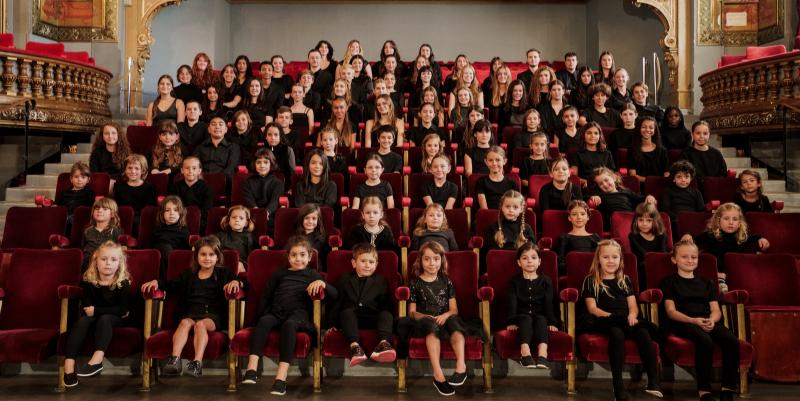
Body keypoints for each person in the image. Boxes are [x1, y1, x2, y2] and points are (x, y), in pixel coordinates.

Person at [239, 236, 336, 394]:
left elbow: (335, 294)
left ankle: (281, 378)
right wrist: (256, 320)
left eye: (302, 255)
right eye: (294, 255)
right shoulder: (279, 274)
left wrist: (322, 283)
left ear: (310, 256)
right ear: (288, 257)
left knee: (289, 325)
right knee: (263, 321)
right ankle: (252, 369)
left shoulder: (313, 275)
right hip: (277, 310)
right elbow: (266, 296)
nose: (298, 259)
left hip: (299, 315)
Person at [140, 236, 245, 377]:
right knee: (184, 322)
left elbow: (244, 281)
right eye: (203, 254)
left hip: (212, 315)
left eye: (211, 255)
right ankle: (174, 360)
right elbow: (171, 285)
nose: (207, 258)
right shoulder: (188, 274)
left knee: (200, 325)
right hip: (189, 312)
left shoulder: (223, 273)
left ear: (217, 257)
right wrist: (157, 282)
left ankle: (197, 363)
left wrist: (237, 283)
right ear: (196, 257)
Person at [579, 239, 662, 401]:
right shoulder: (591, 280)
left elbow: (633, 306)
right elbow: (592, 308)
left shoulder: (625, 280)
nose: (611, 261)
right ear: (598, 260)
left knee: (643, 332)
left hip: (626, 318)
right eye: (606, 257)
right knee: (616, 333)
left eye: (615, 257)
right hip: (604, 318)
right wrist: (611, 317)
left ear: (620, 260)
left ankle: (653, 381)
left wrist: (632, 315)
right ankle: (618, 386)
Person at [661, 239, 740, 401]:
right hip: (683, 321)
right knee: (705, 341)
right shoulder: (669, 282)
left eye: (693, 257)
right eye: (684, 257)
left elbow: (716, 310)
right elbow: (671, 311)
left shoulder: (707, 282)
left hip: (706, 319)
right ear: (674, 259)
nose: (690, 260)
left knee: (731, 340)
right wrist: (693, 320)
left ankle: (728, 388)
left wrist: (711, 320)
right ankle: (704, 390)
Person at [399, 241, 469, 396]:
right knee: (431, 326)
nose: (432, 263)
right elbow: (412, 312)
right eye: (427, 259)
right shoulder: (415, 283)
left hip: (445, 318)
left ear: (441, 260)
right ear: (420, 261)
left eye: (436, 259)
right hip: (424, 322)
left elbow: (454, 310)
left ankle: (461, 366)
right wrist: (425, 316)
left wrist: (445, 315)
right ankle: (438, 375)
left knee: (455, 323)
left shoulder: (446, 281)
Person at [62, 241, 131, 388]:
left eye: (113, 260)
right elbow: (88, 309)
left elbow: (122, 310)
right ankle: (68, 366)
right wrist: (99, 310)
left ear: (119, 263)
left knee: (105, 318)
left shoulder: (123, 283)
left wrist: (98, 310)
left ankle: (97, 360)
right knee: (82, 321)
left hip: (116, 320)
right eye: (104, 259)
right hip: (95, 318)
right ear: (96, 261)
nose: (108, 263)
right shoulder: (88, 282)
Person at [328, 243, 396, 366]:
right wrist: (333, 323)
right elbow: (338, 302)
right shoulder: (345, 279)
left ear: (376, 265)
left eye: (371, 262)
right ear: (354, 263)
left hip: (372, 317)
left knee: (386, 314)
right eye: (363, 261)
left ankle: (384, 344)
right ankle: (355, 348)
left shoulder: (380, 280)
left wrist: (388, 319)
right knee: (346, 312)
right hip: (351, 319)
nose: (367, 265)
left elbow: (385, 303)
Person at [690, 203, 769, 292]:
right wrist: (687, 237)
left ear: (739, 223)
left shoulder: (743, 238)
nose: (731, 222)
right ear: (718, 221)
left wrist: (761, 239)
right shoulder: (710, 236)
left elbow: (755, 238)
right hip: (717, 274)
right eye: (726, 219)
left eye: (735, 219)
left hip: (736, 274)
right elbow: (693, 241)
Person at [507, 243, 558, 369]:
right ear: (519, 262)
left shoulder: (546, 281)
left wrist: (552, 322)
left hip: (540, 315)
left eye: (533, 258)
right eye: (525, 258)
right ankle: (525, 353)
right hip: (521, 316)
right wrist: (511, 321)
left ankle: (542, 354)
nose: (529, 261)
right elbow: (512, 303)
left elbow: (549, 303)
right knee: (526, 319)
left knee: (541, 319)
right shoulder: (514, 282)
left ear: (539, 261)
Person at [588, 167, 657, 227]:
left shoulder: (625, 192)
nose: (605, 185)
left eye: (606, 180)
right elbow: (589, 206)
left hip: (631, 219)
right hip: (615, 223)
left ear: (614, 178)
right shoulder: (600, 196)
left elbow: (640, 199)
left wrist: (649, 197)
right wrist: (594, 198)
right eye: (601, 184)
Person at [482, 190, 536, 257]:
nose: (511, 210)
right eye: (507, 206)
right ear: (502, 207)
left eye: (515, 207)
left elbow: (532, 252)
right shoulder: (493, 228)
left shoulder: (526, 229)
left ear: (521, 209)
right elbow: (490, 255)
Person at [111, 154, 157, 230]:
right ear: (125, 170)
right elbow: (116, 207)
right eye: (129, 168)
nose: (133, 171)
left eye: (137, 168)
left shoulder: (150, 188)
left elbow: (149, 210)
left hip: (141, 221)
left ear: (143, 171)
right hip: (122, 219)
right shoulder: (119, 187)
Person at [661, 160, 705, 237]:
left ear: (691, 178)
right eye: (679, 177)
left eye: (686, 176)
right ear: (674, 179)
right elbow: (665, 209)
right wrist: (679, 218)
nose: (683, 180)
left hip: (692, 221)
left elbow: (701, 210)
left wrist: (691, 219)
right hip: (675, 221)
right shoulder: (667, 191)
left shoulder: (696, 192)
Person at [169, 156, 213, 233]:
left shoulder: (206, 188)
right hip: (178, 221)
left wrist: (196, 222)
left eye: (194, 168)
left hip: (199, 222)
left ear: (199, 171)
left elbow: (206, 211)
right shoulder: (175, 187)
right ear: (182, 170)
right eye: (187, 168)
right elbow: (171, 206)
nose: (190, 171)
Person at [557, 200, 601, 275]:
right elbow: (560, 262)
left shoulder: (595, 237)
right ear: (569, 218)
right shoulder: (564, 237)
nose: (579, 217)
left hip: (592, 273)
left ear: (588, 217)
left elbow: (600, 259)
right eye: (574, 214)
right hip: (573, 272)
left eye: (582, 214)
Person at [628, 202, 668, 286]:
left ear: (655, 221)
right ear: (636, 221)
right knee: (644, 266)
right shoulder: (633, 236)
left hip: (658, 265)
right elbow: (642, 254)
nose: (644, 224)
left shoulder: (661, 236)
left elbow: (663, 253)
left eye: (649, 220)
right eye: (641, 220)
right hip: (642, 268)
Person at [151, 195, 190, 277]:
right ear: (162, 214)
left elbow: (185, 248)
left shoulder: (183, 230)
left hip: (174, 257)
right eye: (167, 210)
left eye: (175, 210)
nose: (171, 213)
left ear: (181, 213)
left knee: (166, 249)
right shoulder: (157, 229)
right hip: (158, 257)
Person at [81, 197, 123, 270]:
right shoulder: (87, 230)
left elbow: (118, 251)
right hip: (87, 264)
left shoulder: (116, 231)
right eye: (97, 209)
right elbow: (83, 247)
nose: (99, 211)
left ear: (112, 214)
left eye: (105, 209)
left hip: (105, 263)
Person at [241, 148, 283, 220]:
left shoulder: (277, 183)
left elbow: (274, 202)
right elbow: (249, 201)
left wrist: (266, 213)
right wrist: (257, 213)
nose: (262, 166)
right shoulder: (247, 182)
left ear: (271, 164)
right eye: (258, 162)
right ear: (254, 164)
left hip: (271, 214)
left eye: (266, 162)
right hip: (252, 214)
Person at [629, 116, 669, 183]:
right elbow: (633, 175)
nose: (647, 130)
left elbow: (666, 173)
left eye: (651, 128)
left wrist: (660, 181)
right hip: (640, 186)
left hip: (659, 185)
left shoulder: (662, 150)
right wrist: (650, 181)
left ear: (655, 130)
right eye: (644, 127)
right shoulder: (632, 150)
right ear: (639, 129)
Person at [216, 205, 255, 273]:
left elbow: (251, 256)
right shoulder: (220, 235)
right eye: (234, 217)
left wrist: (243, 264)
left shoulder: (248, 237)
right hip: (222, 260)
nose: (237, 220)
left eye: (241, 218)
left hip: (240, 262)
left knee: (238, 265)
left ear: (246, 223)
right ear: (229, 221)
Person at [60, 161, 95, 231]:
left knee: (71, 219)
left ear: (88, 180)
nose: (79, 179)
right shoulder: (64, 192)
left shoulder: (90, 193)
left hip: (80, 218)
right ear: (71, 179)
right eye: (76, 177)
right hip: (64, 217)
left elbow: (90, 209)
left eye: (83, 177)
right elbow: (60, 206)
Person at [294, 203, 331, 268]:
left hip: (313, 269)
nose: (310, 221)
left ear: (318, 221)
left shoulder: (321, 239)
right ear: (301, 219)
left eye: (314, 218)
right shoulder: (295, 236)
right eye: (307, 218)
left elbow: (324, 259)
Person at [262, 122, 296, 191]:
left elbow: (292, 172)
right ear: (266, 136)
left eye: (276, 135)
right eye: (269, 135)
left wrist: (291, 188)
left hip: (283, 185)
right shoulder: (261, 151)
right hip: (264, 185)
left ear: (280, 136)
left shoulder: (288, 150)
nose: (273, 138)